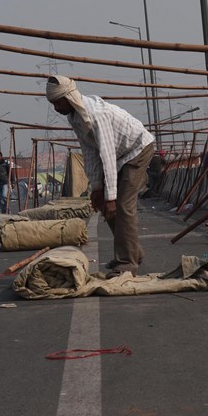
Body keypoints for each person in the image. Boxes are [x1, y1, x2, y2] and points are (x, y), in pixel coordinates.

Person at [46, 76, 154, 277]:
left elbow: (107, 154)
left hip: (137, 150)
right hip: (119, 156)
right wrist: (97, 188)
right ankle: (133, 253)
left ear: (69, 98)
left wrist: (111, 196)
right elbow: (89, 152)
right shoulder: (75, 117)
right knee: (106, 206)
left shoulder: (97, 114)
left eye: (58, 103)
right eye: (53, 104)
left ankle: (126, 263)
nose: (56, 108)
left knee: (122, 205)